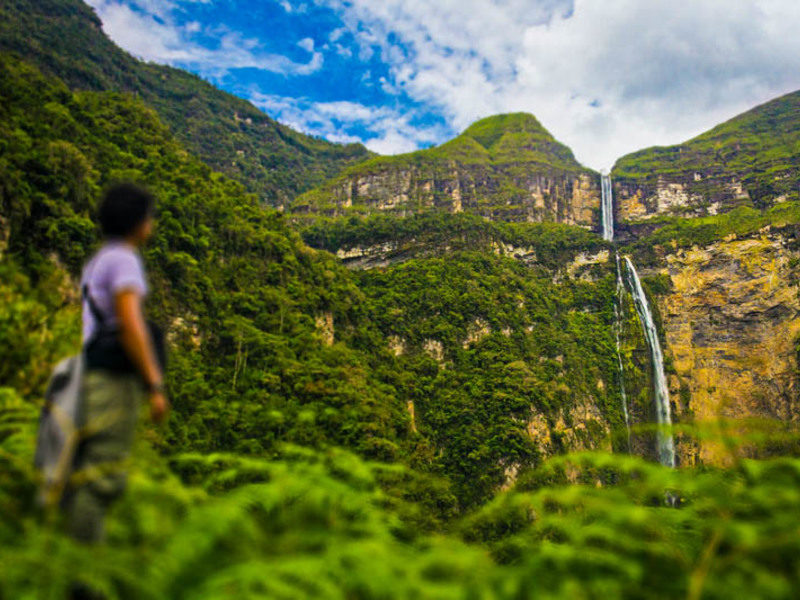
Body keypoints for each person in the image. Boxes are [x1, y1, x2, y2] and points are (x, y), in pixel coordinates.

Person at [62, 182, 169, 544]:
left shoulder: (96, 261)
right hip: (111, 378)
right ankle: (84, 574)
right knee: (104, 474)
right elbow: (129, 321)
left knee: (85, 466)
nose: (151, 224)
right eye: (149, 217)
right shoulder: (124, 259)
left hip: (88, 371)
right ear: (137, 221)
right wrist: (154, 382)